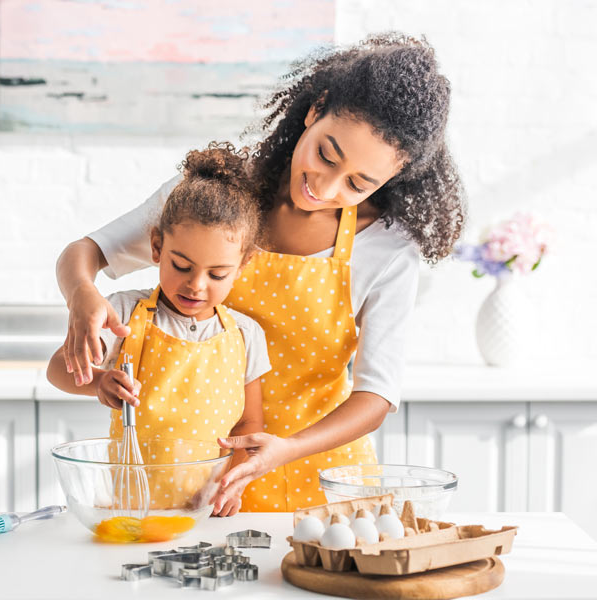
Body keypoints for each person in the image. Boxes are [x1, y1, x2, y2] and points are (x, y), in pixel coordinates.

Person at [54, 33, 465, 513]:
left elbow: (376, 395)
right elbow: (85, 253)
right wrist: (82, 293)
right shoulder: (213, 198)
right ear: (315, 109)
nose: (325, 186)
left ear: (393, 177)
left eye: (358, 182)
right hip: (200, 482)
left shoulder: (387, 248)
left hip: (325, 484)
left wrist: (286, 448)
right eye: (326, 155)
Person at [47, 143, 271, 516]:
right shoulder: (124, 314)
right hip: (131, 510)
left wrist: (234, 484)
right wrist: (98, 381)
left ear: (243, 265)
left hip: (207, 515)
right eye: (181, 265)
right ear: (156, 247)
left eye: (217, 274)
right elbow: (58, 369)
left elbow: (249, 424)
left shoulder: (247, 335)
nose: (196, 285)